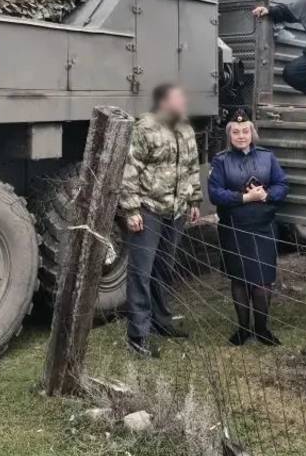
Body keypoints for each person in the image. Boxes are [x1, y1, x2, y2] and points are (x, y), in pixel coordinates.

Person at [119, 83, 202, 358]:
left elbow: (192, 167)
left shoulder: (186, 129)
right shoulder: (145, 128)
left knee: (164, 268)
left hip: (176, 211)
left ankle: (161, 322)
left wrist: (194, 201)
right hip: (149, 210)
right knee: (140, 273)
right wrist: (131, 210)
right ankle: (138, 336)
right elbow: (130, 169)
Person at [208, 109, 288, 346]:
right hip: (235, 228)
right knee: (240, 280)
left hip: (263, 227)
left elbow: (282, 184)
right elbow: (215, 194)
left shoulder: (267, 157)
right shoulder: (220, 160)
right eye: (236, 131)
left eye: (245, 131)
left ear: (252, 133)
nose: (241, 135)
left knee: (263, 281)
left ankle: (262, 329)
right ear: (229, 134)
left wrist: (266, 195)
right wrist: (243, 199)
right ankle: (243, 329)